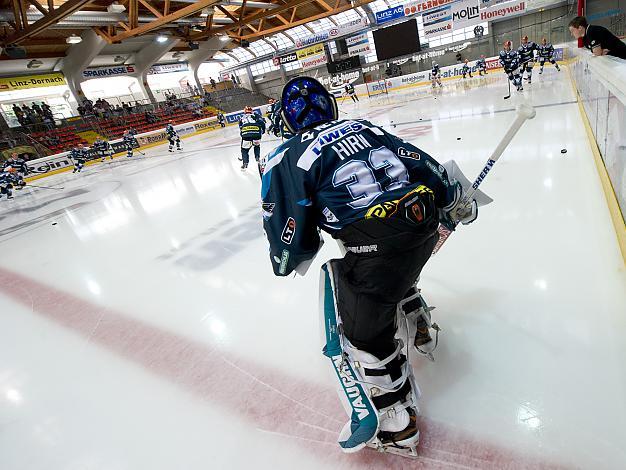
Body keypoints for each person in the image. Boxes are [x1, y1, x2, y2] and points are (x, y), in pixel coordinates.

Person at [260, 77, 483, 457]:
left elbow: (291, 239)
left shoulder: (285, 156)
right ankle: (416, 316)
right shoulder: (363, 127)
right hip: (423, 224)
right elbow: (423, 164)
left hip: (377, 246)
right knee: (392, 264)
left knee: (363, 332)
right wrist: (453, 196)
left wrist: (283, 261)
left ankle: (397, 421)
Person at [238, 106, 265, 170]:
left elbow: (241, 127)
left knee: (244, 150)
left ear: (245, 111)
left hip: (246, 135)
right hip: (256, 134)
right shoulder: (256, 115)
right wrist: (263, 131)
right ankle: (257, 158)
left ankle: (245, 163)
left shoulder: (242, 118)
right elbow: (261, 122)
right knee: (257, 146)